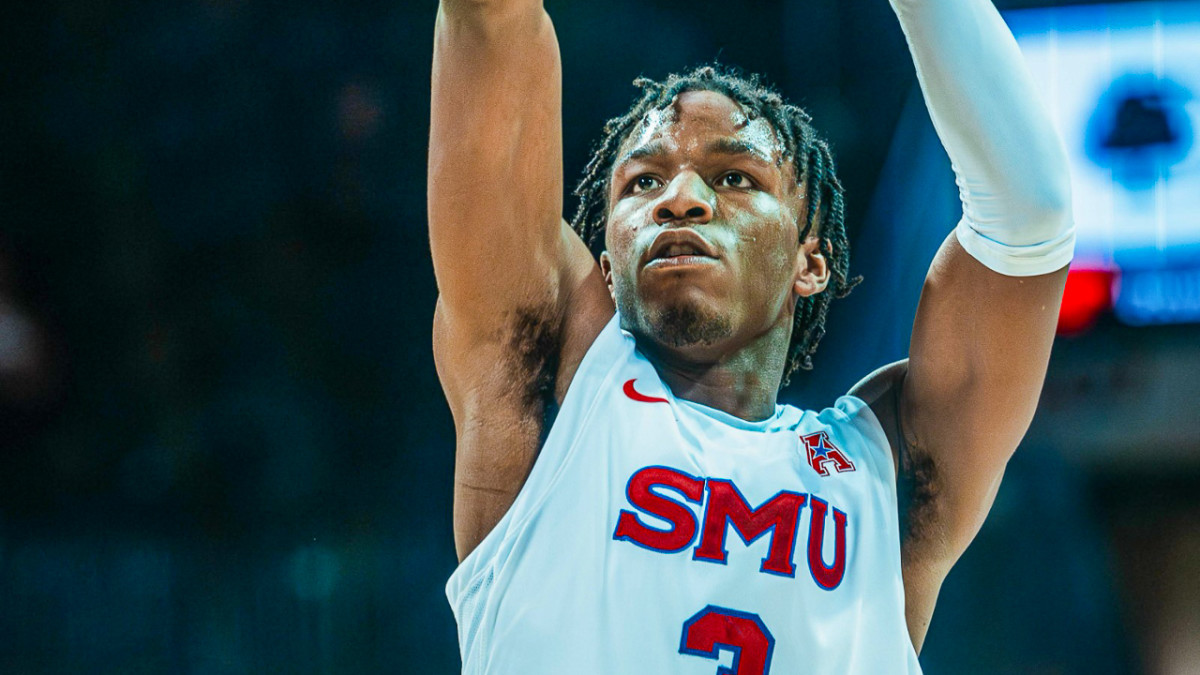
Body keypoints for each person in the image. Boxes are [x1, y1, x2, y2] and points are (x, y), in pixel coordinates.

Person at [427, 0, 1073, 670]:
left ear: (810, 260)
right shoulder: (555, 381)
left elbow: (1029, 219)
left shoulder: (885, 465)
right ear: (608, 270)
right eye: (642, 181)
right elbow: (488, 18)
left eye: (735, 177)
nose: (680, 198)